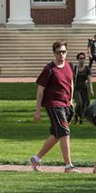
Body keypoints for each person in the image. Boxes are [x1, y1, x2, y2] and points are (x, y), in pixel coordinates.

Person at [30, 41, 76, 172]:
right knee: (65, 132)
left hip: (66, 104)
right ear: (54, 53)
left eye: (63, 52)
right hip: (54, 105)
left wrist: (71, 100)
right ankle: (68, 166)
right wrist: (37, 110)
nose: (61, 55)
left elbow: (71, 82)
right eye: (58, 52)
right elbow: (40, 90)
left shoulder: (69, 66)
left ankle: (36, 159)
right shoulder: (49, 69)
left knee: (57, 134)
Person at [72, 53, 94, 125]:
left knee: (86, 103)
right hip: (76, 88)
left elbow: (89, 80)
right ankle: (77, 115)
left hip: (84, 88)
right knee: (79, 103)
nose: (82, 60)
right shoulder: (75, 69)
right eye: (80, 58)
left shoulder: (87, 69)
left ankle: (80, 117)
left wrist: (91, 90)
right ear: (78, 59)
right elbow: (71, 79)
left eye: (83, 58)